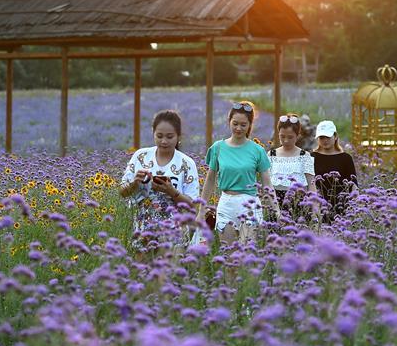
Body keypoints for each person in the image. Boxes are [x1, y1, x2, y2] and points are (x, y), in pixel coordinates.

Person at [198, 101, 280, 244]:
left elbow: (267, 182)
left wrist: (276, 209)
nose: (238, 128)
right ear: (229, 121)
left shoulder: (257, 150)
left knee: (246, 253)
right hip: (226, 204)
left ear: (250, 125)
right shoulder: (218, 148)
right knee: (229, 256)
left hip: (249, 204)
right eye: (235, 123)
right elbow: (210, 180)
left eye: (243, 125)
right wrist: (201, 210)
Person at [120, 110, 200, 249]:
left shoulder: (186, 163)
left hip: (175, 229)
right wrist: (135, 183)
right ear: (153, 133)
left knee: (169, 269)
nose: (164, 141)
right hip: (143, 227)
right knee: (143, 270)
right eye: (159, 136)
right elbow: (123, 192)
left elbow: (193, 204)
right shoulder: (141, 156)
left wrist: (171, 191)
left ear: (178, 136)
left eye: (169, 137)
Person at [269, 113, 317, 222]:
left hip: (299, 206)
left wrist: (314, 213)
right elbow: (268, 185)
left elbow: (311, 185)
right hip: (276, 207)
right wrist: (276, 212)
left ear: (297, 135)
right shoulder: (271, 155)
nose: (286, 140)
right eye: (282, 136)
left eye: (290, 137)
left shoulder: (304, 156)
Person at [312, 120, 358, 222]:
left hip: (342, 209)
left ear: (335, 136)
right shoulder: (312, 157)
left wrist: (355, 209)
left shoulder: (346, 158)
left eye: (328, 137)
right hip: (317, 208)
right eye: (321, 137)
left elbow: (354, 185)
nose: (325, 140)